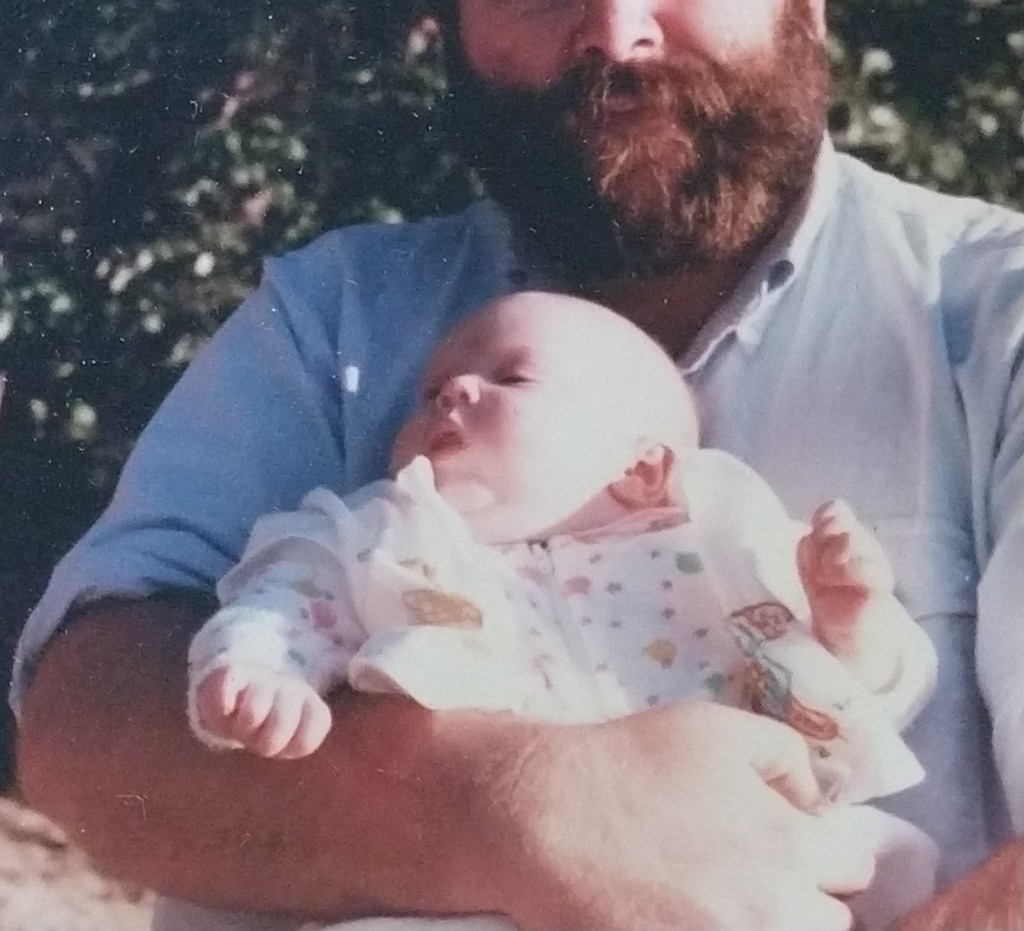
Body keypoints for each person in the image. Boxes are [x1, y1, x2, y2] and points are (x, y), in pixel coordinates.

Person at [11, 0, 1023, 930]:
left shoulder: (992, 313)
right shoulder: (334, 323)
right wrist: (501, 803)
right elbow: (83, 727)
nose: (615, 32)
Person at [187, 292, 940, 931]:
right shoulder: (387, 539)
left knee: (886, 856)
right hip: (486, 891)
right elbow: (287, 605)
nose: (454, 393)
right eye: (433, 390)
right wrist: (259, 673)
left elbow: (853, 694)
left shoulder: (718, 548)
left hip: (732, 866)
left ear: (643, 467)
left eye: (510, 377)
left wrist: (850, 618)